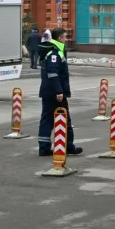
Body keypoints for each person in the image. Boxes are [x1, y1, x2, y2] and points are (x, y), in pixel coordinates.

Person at [37, 28, 82, 157]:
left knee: (47, 119)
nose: (66, 39)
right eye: (64, 37)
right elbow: (53, 74)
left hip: (48, 92)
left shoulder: (53, 51)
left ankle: (44, 147)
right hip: (55, 93)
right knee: (64, 119)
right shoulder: (54, 53)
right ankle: (68, 146)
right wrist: (59, 91)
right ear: (59, 38)